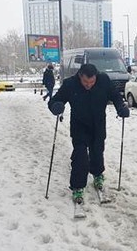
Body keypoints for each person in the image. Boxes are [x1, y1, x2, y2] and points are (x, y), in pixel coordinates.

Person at [48, 63, 130, 204]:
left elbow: (115, 96)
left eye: (92, 82)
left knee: (97, 151)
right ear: (80, 76)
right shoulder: (70, 84)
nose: (89, 85)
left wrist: (121, 107)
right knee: (80, 156)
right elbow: (55, 100)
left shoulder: (103, 80)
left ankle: (97, 174)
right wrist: (56, 106)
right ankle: (78, 186)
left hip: (98, 125)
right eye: (86, 82)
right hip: (79, 126)